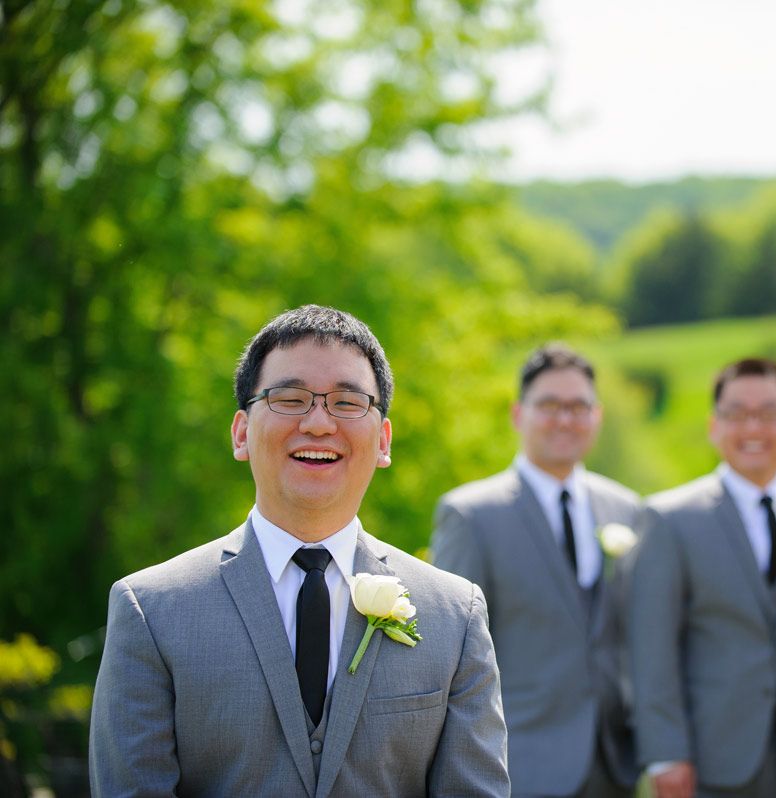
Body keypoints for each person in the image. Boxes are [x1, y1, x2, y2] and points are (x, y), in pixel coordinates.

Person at [89, 305, 508, 797]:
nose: (318, 423)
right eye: (290, 399)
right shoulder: (152, 611)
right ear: (241, 433)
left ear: (383, 441)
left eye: (347, 403)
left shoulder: (454, 616)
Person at [627, 357, 776, 798]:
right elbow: (653, 648)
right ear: (714, 426)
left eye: (769, 413)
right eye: (737, 414)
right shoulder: (671, 520)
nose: (753, 428)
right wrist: (666, 753)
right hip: (707, 758)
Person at [433, 344, 641, 798]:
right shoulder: (472, 516)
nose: (565, 419)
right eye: (549, 405)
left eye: (578, 407)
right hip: (517, 764)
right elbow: (449, 656)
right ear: (517, 414)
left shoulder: (626, 508)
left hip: (616, 763)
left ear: (597, 416)